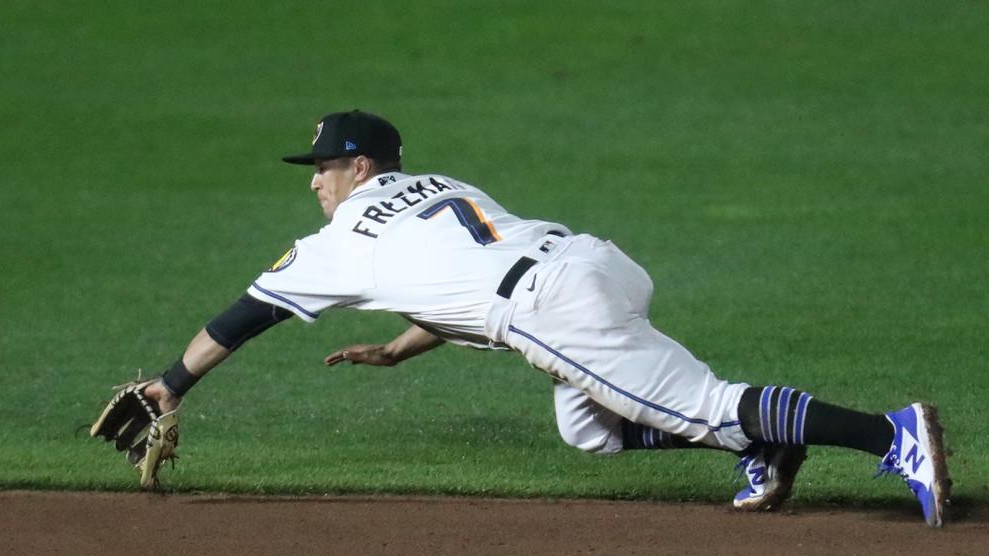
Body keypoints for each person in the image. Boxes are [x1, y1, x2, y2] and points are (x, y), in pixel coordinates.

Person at [121, 110, 951, 526]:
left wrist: (169, 382)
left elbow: (245, 314)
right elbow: (461, 274)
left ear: (359, 167)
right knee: (588, 428)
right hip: (593, 265)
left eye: (324, 168)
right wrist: (407, 347)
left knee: (702, 401)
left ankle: (891, 434)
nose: (314, 182)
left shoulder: (339, 238)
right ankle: (765, 442)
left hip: (550, 309)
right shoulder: (439, 187)